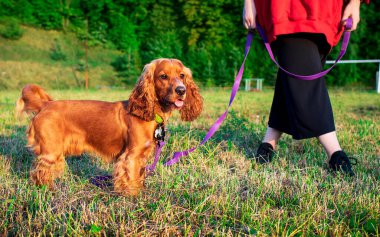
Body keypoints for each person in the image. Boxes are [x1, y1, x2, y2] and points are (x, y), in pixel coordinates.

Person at [242, 0, 369, 176]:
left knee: (293, 79)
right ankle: (335, 154)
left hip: (326, 9)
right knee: (302, 80)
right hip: (285, 7)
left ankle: (268, 143)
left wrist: (355, 2)